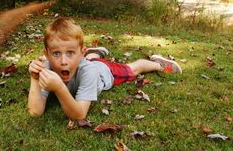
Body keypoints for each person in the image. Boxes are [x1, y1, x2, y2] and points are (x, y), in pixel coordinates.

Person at [27, 17, 182, 120]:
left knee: (133, 69)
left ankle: (159, 64)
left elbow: (79, 114)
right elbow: (35, 112)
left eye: (70, 53)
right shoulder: (46, 67)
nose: (63, 61)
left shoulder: (90, 72)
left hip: (103, 71)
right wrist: (34, 78)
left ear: (80, 53)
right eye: (55, 53)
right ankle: (95, 53)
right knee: (88, 60)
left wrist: (59, 87)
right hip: (85, 61)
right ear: (46, 54)